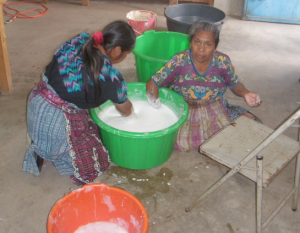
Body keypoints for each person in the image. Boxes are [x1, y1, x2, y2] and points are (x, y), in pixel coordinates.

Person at [23, 20, 136, 185]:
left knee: (88, 126)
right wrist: (134, 116)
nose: (125, 57)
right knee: (95, 161)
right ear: (117, 50)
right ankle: (47, 153)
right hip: (55, 121)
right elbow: (126, 110)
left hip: (36, 103)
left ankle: (42, 144)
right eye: (127, 53)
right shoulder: (111, 78)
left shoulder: (81, 39)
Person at [146, 21, 262, 152]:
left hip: (213, 106)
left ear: (215, 47)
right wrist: (157, 112)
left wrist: (245, 93)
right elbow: (152, 84)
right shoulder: (179, 61)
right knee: (180, 143)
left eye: (208, 44)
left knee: (228, 137)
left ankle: (237, 114)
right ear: (190, 43)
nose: (201, 49)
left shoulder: (222, 62)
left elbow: (235, 84)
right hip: (185, 108)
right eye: (197, 42)